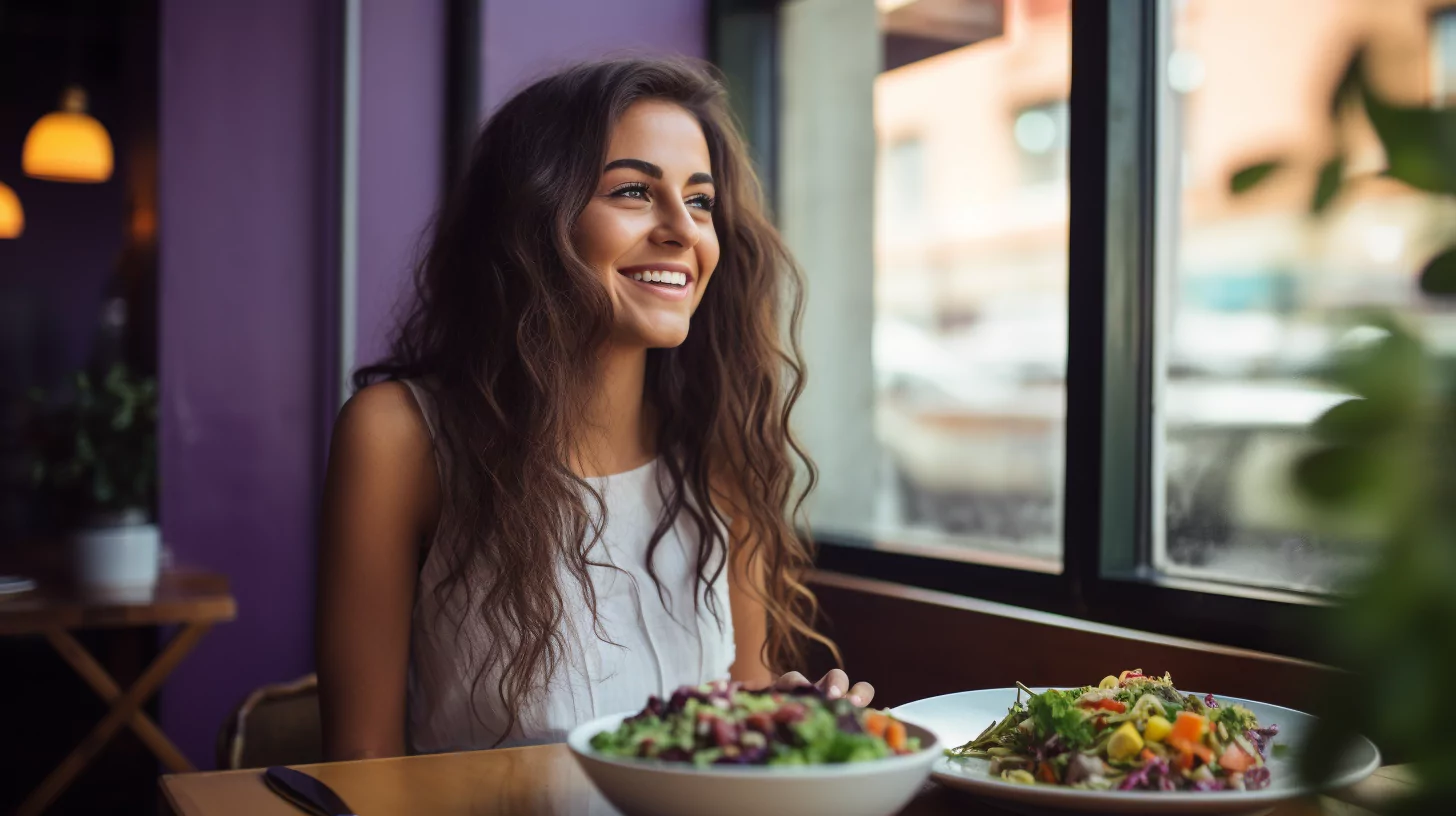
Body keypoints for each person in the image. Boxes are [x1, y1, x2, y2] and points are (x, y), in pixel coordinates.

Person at [315, 56, 872, 761]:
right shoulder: (398, 437)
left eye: (700, 202)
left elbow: (741, 706)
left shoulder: (720, 446)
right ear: (533, 219)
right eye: (635, 191)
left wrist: (785, 723)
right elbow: (359, 769)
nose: (683, 230)